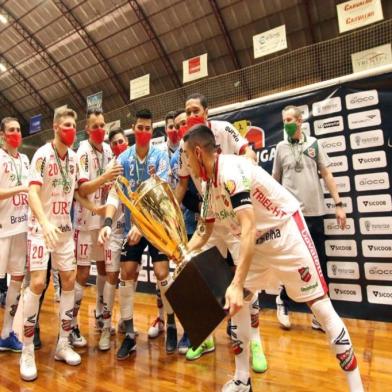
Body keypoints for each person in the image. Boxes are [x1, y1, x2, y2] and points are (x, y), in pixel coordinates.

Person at [183, 125, 364, 392]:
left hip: (285, 234)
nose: (185, 163)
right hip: (258, 245)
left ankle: (356, 387)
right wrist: (182, 252)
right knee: (239, 303)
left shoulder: (230, 171)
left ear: (198, 153)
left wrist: (236, 281)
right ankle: (242, 379)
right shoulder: (209, 187)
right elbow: (205, 229)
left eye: (186, 156)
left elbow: (248, 227)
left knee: (321, 307)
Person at [174, 94, 266, 374]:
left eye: (196, 110)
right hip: (210, 215)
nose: (191, 115)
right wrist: (166, 215)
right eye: (187, 111)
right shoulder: (183, 146)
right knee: (195, 273)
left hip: (234, 213)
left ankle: (256, 343)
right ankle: (205, 338)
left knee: (246, 281)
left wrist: (245, 173)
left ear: (207, 112)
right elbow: (181, 186)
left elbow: (249, 153)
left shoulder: (224, 129)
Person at [98, 109, 178, 359]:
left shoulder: (160, 156)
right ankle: (130, 334)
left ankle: (172, 325)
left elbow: (160, 194)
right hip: (132, 228)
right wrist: (108, 222)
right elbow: (114, 194)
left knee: (163, 273)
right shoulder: (122, 159)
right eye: (139, 128)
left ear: (152, 131)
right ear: (134, 129)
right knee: (127, 272)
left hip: (155, 226)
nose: (143, 132)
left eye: (147, 128)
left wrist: (142, 226)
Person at [272, 105, 346, 330]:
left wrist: (339, 204)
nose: (287, 124)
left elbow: (327, 174)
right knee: (292, 262)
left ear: (300, 120)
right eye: (284, 120)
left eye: (290, 120)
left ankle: (320, 316)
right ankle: (283, 302)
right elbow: (275, 180)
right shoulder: (281, 148)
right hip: (292, 216)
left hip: (316, 214)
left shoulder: (314, 144)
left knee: (319, 264)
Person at [20, 108, 81, 381]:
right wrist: (44, 223)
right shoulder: (42, 155)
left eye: (74, 125)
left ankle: (63, 344)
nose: (72, 129)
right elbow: (32, 191)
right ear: (56, 126)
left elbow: (80, 193)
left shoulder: (75, 159)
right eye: (67, 124)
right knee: (37, 283)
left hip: (64, 231)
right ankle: (26, 349)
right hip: (40, 228)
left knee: (69, 280)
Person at [72, 109, 123, 348]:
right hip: (85, 223)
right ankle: (71, 324)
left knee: (105, 269)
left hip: (104, 222)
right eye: (96, 126)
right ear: (87, 130)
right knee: (82, 274)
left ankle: (102, 316)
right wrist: (105, 177)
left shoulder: (108, 151)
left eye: (103, 125)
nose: (100, 129)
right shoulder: (82, 150)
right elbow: (82, 190)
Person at [0, 117, 29, 353]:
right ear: (2, 135)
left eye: (18, 130)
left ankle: (7, 333)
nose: (16, 134)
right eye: (11, 130)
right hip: (2, 229)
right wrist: (21, 188)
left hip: (21, 229)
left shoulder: (26, 160)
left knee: (17, 280)